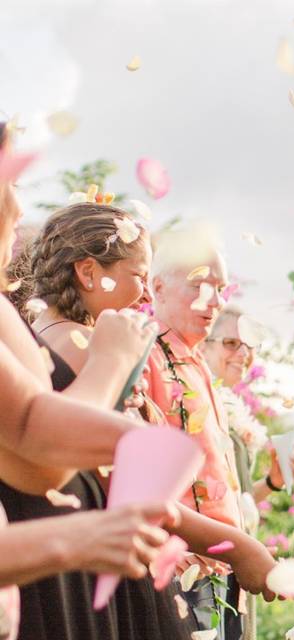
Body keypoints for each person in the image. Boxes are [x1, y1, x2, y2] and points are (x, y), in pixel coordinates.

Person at [0, 120, 186, 640]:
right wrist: (112, 364)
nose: (18, 206)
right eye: (10, 180)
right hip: (55, 558)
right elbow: (43, 454)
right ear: (88, 273)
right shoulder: (79, 342)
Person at [143, 229, 276, 640]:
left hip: (220, 568)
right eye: (200, 284)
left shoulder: (196, 363)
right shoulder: (145, 356)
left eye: (219, 288)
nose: (214, 301)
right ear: (158, 287)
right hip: (179, 569)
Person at [201, 307, 294, 640]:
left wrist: (273, 480)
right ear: (203, 345)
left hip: (239, 558)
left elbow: (236, 498)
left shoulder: (228, 404)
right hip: (208, 562)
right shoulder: (195, 407)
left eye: (248, 346)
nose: (243, 354)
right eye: (231, 342)